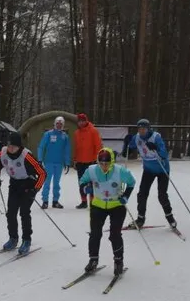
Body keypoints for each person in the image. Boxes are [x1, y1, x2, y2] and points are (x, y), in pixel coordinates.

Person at [79, 148, 136, 277]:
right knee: (95, 234)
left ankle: (118, 261)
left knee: (114, 234)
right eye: (101, 163)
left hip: (116, 205)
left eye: (107, 164)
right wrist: (86, 187)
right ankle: (93, 260)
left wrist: (126, 195)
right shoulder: (92, 170)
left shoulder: (120, 171)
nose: (104, 166)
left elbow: (131, 183)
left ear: (112, 162)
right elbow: (82, 181)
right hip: (98, 205)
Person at [0, 131, 46, 255]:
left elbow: (42, 174)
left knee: (24, 212)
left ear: (19, 146)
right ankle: (13, 238)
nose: (11, 149)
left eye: (14, 146)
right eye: (9, 146)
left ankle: (26, 240)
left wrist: (35, 189)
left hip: (28, 185)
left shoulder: (26, 156)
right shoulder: (3, 153)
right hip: (15, 184)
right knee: (10, 213)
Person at [124, 118, 176, 229]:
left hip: (162, 169)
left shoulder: (156, 137)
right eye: (139, 129)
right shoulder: (137, 137)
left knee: (162, 195)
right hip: (148, 169)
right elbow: (130, 146)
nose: (142, 131)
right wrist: (127, 143)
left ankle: (170, 218)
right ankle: (140, 219)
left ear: (148, 129)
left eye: (144, 129)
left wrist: (156, 147)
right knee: (142, 193)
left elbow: (164, 154)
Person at [37, 116, 71, 209]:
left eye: (61, 124)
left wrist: (67, 162)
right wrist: (40, 159)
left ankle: (55, 201)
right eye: (57, 124)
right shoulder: (48, 134)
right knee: (47, 182)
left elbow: (67, 150)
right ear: (54, 124)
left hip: (59, 163)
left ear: (63, 125)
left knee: (56, 183)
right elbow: (41, 147)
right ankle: (45, 201)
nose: (59, 125)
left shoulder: (65, 136)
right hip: (48, 162)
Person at [72, 113, 103, 209]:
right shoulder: (76, 133)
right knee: (82, 182)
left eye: (83, 121)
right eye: (79, 121)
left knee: (92, 183)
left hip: (91, 161)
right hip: (80, 161)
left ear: (86, 120)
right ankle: (84, 201)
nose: (81, 123)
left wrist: (98, 159)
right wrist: (75, 159)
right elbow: (76, 148)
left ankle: (93, 202)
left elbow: (98, 145)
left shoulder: (93, 131)